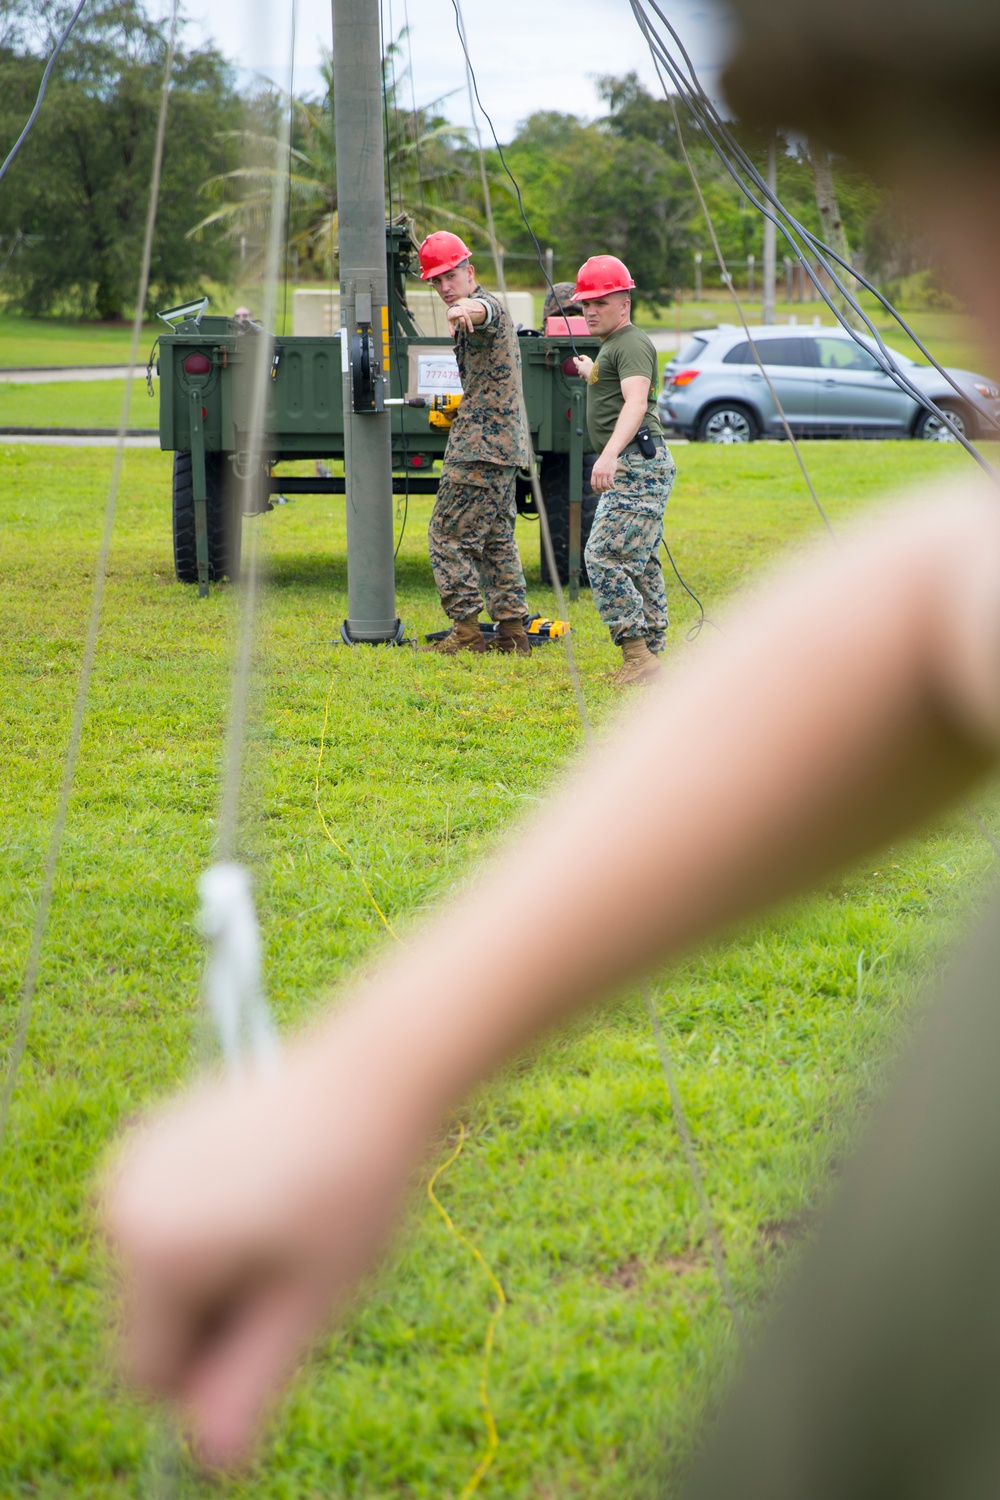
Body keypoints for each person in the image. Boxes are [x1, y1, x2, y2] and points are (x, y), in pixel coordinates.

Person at [103, 0, 1000, 1485]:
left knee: (489, 551)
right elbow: (928, 606)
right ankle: (546, 630)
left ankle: (510, 623)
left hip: (499, 461)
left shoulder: (509, 320)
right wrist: (381, 1069)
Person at [417, 231, 533, 657]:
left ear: (470, 272)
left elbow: (483, 310)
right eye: (436, 281)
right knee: (496, 538)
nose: (445, 287)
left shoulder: (486, 309)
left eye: (450, 276)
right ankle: (513, 633)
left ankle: (467, 633)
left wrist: (467, 307)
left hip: (481, 447)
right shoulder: (472, 312)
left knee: (447, 536)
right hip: (503, 445)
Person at [570, 255, 674, 688]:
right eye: (584, 304)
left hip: (635, 463)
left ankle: (638, 656)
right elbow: (618, 387)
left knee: (603, 555)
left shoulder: (629, 343)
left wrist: (609, 455)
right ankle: (650, 655)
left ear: (624, 303)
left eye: (600, 301)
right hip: (637, 462)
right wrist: (593, 372)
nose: (590, 310)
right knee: (641, 560)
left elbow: (636, 401)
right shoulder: (615, 345)